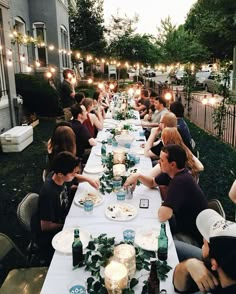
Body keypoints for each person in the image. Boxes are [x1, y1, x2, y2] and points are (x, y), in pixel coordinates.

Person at [124, 144, 208, 244]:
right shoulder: (173, 173)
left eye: (162, 160)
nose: (158, 162)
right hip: (182, 222)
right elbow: (152, 183)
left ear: (172, 164)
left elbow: (162, 215)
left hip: (194, 237)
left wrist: (163, 204)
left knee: (156, 241)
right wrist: (137, 176)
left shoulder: (180, 181)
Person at [31, 151, 80, 262]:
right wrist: (68, 225)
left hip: (63, 218)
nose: (75, 175)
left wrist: (79, 188)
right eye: (72, 174)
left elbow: (67, 189)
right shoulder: (49, 193)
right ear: (60, 174)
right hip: (49, 236)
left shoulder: (59, 177)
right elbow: (46, 226)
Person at [173, 209, 236, 293]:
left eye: (205, 244)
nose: (202, 245)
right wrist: (187, 266)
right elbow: (178, 287)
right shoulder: (221, 270)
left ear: (214, 264)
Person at [46, 122, 99, 189]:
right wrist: (87, 179)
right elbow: (71, 176)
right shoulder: (63, 158)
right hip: (67, 185)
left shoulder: (53, 146)